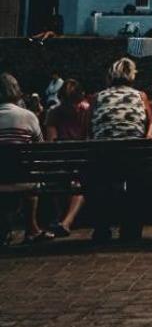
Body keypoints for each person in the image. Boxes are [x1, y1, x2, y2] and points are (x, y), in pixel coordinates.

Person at [88, 57, 152, 244]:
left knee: (101, 180)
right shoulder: (141, 96)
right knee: (136, 180)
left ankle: (102, 227)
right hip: (133, 159)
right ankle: (131, 228)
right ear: (132, 76)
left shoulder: (97, 97)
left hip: (103, 158)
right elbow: (149, 123)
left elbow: (88, 130)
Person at [0, 72, 51, 243]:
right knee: (29, 174)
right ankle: (32, 229)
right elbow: (40, 149)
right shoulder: (28, 116)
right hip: (25, 179)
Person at [43, 78, 91, 237]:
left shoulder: (55, 113)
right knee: (78, 179)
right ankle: (65, 220)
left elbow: (52, 142)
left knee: (72, 178)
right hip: (71, 161)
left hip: (70, 162)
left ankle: (64, 220)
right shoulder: (84, 111)